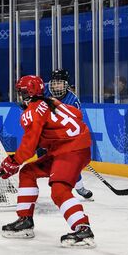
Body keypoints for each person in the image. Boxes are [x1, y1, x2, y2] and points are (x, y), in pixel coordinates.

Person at [0, 75, 95, 248]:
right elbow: (77, 114)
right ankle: (25, 220)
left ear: (27, 93)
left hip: (70, 150)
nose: (19, 96)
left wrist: (12, 161)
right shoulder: (51, 102)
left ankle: (83, 229)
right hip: (69, 148)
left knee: (59, 190)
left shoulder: (32, 111)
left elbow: (28, 148)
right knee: (28, 172)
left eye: (20, 92)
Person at [44, 69, 93, 200]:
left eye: (60, 83)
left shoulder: (73, 101)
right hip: (43, 132)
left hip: (62, 134)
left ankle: (78, 186)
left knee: (70, 162)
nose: (56, 86)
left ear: (66, 84)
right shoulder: (44, 90)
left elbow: (75, 124)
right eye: (54, 83)